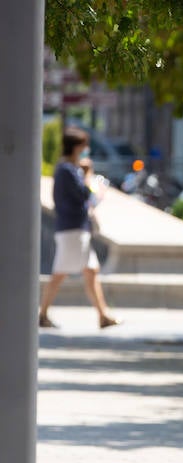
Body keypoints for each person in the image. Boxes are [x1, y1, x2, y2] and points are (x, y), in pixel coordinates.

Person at [40, 127, 119, 330]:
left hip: (75, 228)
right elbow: (84, 194)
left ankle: (103, 315)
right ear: (76, 147)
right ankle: (42, 312)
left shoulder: (69, 169)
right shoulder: (67, 170)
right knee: (60, 272)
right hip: (72, 229)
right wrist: (88, 174)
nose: (86, 150)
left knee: (91, 270)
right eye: (84, 146)